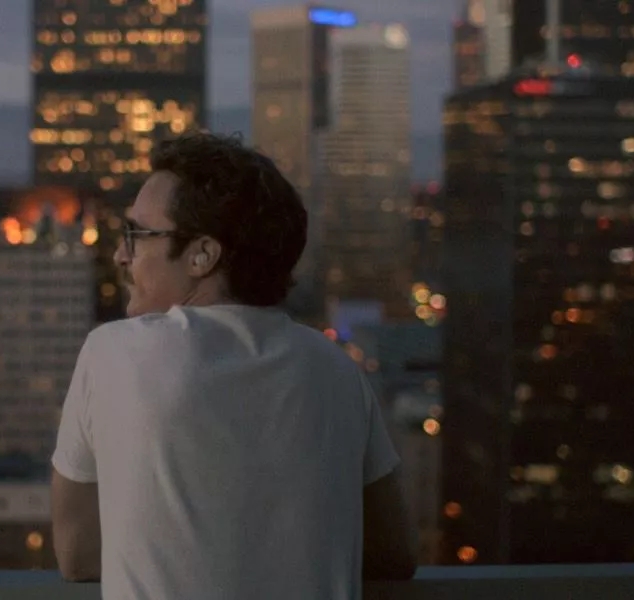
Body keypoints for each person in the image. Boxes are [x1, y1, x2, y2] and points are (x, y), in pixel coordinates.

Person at [51, 133, 416, 599]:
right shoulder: (337, 369)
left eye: (137, 236)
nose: (122, 255)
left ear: (203, 254)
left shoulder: (113, 354)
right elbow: (394, 554)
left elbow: (78, 555)